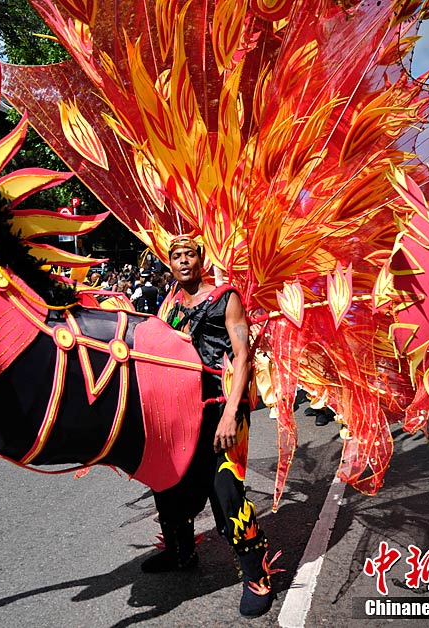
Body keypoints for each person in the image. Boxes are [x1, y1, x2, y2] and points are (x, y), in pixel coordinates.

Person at [147, 235, 276, 618]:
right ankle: (181, 553)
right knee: (167, 481)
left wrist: (231, 412)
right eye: (176, 256)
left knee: (226, 491)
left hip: (223, 407)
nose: (183, 261)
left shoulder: (226, 298)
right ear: (169, 263)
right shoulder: (171, 303)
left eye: (190, 254)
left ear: (201, 259)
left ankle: (257, 576)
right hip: (183, 408)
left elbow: (243, 356)